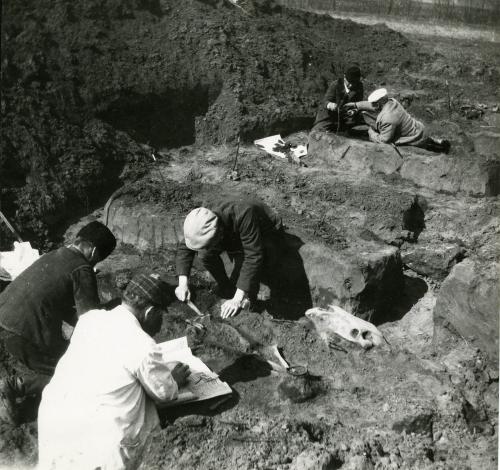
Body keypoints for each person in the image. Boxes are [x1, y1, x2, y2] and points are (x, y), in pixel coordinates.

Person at [37, 272, 191, 470]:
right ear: (150, 312)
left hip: (55, 423)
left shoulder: (89, 319)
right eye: (159, 316)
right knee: (144, 414)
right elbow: (165, 393)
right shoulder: (142, 344)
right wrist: (174, 379)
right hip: (99, 444)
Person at [0, 220, 117, 424]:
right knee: (74, 373)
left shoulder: (53, 255)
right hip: (26, 329)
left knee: (61, 361)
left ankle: (24, 389)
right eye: (98, 259)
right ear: (93, 250)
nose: (94, 264)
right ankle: (15, 385)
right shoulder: (82, 268)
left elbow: (57, 301)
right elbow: (90, 320)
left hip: (7, 319)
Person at [175, 198, 283, 319]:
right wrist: (182, 284)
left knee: (252, 268)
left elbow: (253, 256)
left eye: (209, 244)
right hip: (232, 232)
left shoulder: (243, 213)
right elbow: (185, 247)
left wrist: (237, 298)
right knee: (205, 254)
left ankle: (250, 301)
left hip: (265, 230)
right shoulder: (201, 220)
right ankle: (226, 287)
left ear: (219, 233)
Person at [346, 88, 451, 153]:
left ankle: (440, 149)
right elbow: (373, 106)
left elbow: (384, 140)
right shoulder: (392, 102)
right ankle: (439, 142)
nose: (373, 106)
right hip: (419, 128)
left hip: (414, 138)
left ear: (380, 102)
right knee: (425, 139)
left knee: (428, 148)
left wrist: (371, 132)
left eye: (374, 103)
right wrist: (356, 105)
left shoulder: (388, 117)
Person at [312, 64, 364, 133]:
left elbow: (358, 103)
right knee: (317, 132)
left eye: (354, 82)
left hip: (345, 118)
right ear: (345, 77)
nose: (352, 85)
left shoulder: (359, 86)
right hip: (328, 117)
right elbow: (325, 101)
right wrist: (330, 105)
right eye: (350, 82)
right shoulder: (335, 85)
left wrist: (354, 111)